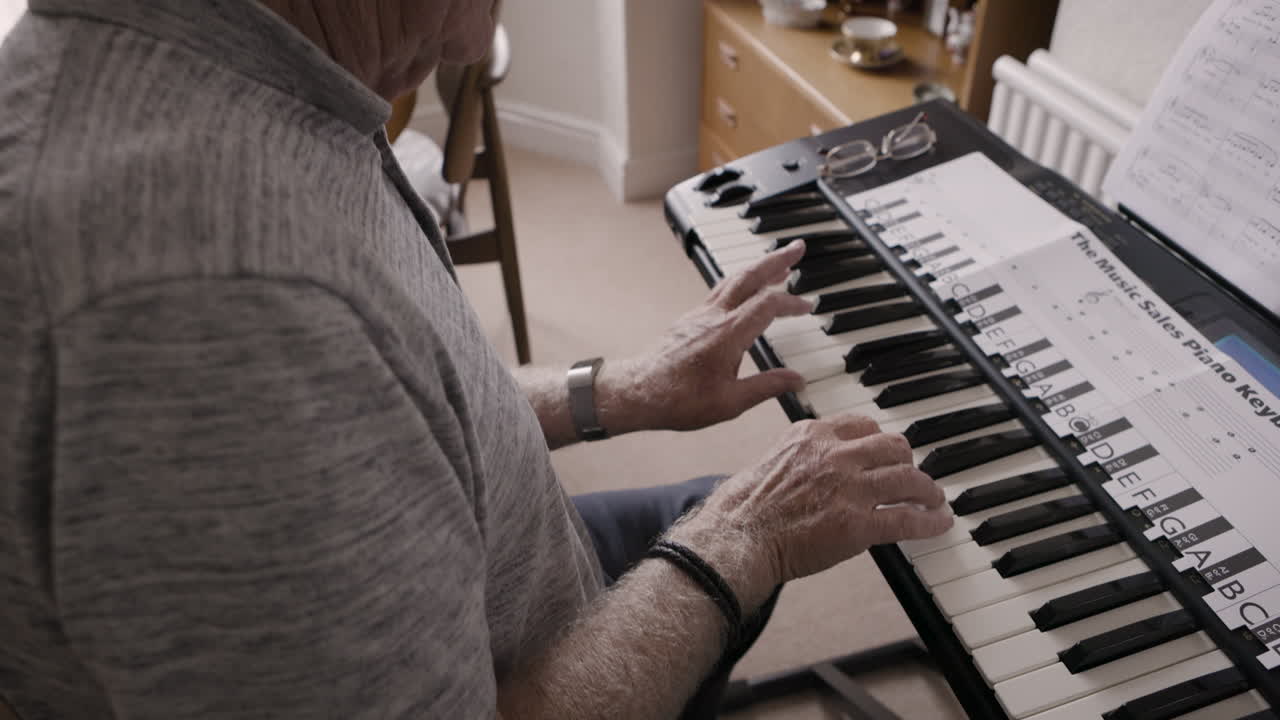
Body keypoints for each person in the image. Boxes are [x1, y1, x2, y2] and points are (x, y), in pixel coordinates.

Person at [0, 1, 953, 718]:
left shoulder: (256, 86)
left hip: (512, 560)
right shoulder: (214, 307)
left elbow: (405, 398)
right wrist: (740, 538)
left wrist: (613, 392)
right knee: (740, 521)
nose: (472, 45)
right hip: (522, 656)